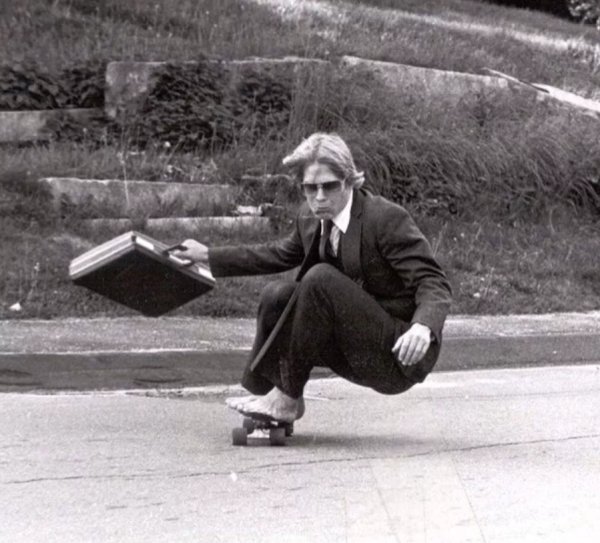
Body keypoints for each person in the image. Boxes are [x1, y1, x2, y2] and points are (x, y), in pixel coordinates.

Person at [170, 133, 452, 423]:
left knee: (319, 278)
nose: (319, 197)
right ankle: (267, 398)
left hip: (396, 355)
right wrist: (208, 255)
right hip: (348, 347)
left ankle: (285, 400)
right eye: (310, 188)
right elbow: (275, 254)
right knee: (277, 294)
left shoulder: (384, 219)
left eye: (329, 186)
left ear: (348, 181)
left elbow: (433, 281)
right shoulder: (310, 217)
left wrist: (423, 327)